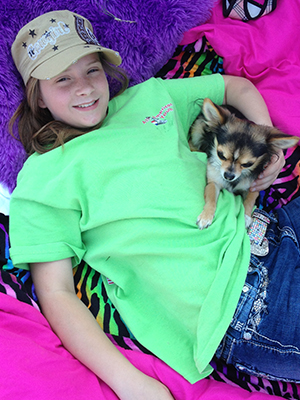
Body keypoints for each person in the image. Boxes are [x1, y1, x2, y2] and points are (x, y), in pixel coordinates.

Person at [8, 9, 300, 400]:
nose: (85, 88)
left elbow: (236, 88)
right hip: (239, 301)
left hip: (274, 227)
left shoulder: (148, 96)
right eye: (63, 79)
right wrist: (131, 383)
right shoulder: (42, 177)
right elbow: (56, 294)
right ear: (38, 97)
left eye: (92, 70)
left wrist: (270, 151)